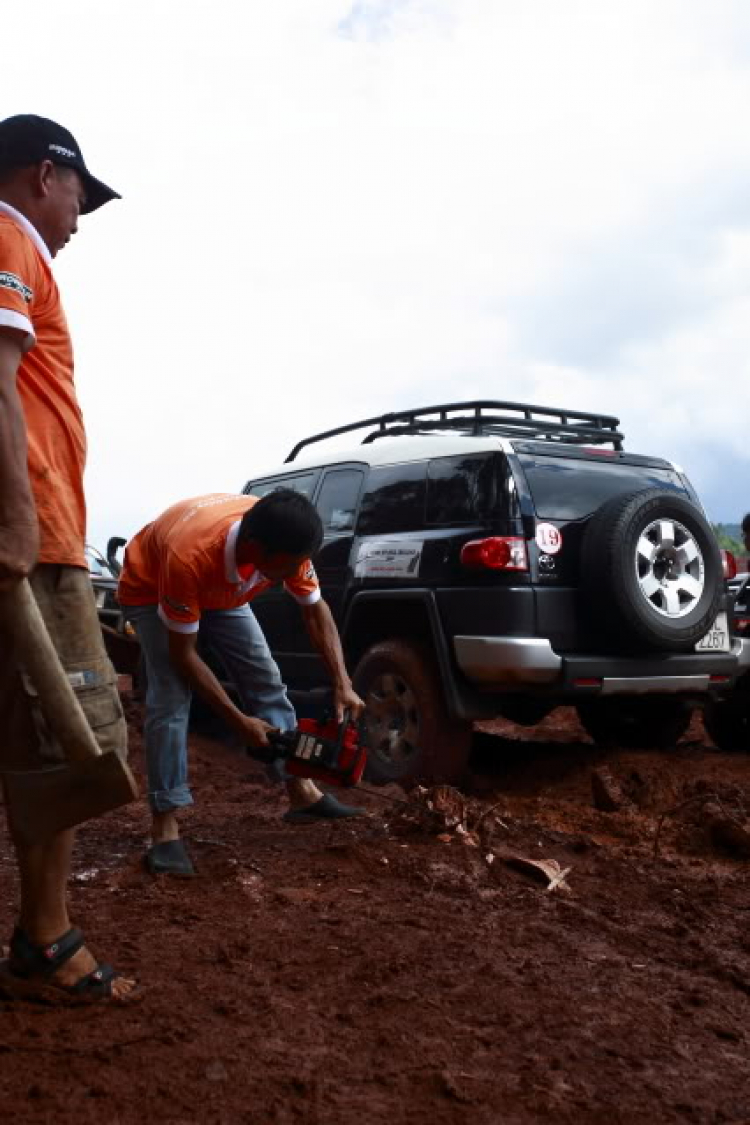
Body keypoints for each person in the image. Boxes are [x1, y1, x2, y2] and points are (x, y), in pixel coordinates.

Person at [0, 115, 136, 999]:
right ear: (48, 174)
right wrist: (17, 518)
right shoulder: (7, 232)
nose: (82, 216)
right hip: (34, 541)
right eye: (82, 194)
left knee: (34, 736)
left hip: (39, 533)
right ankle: (45, 943)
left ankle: (39, 939)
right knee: (65, 741)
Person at [117, 489, 366, 876]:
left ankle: (301, 792)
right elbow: (185, 656)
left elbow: (315, 611)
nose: (293, 574)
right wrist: (239, 723)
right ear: (255, 548)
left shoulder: (287, 544)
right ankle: (164, 828)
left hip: (222, 592)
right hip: (153, 587)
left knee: (266, 680)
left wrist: (343, 683)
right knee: (170, 700)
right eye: (285, 567)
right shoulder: (190, 556)